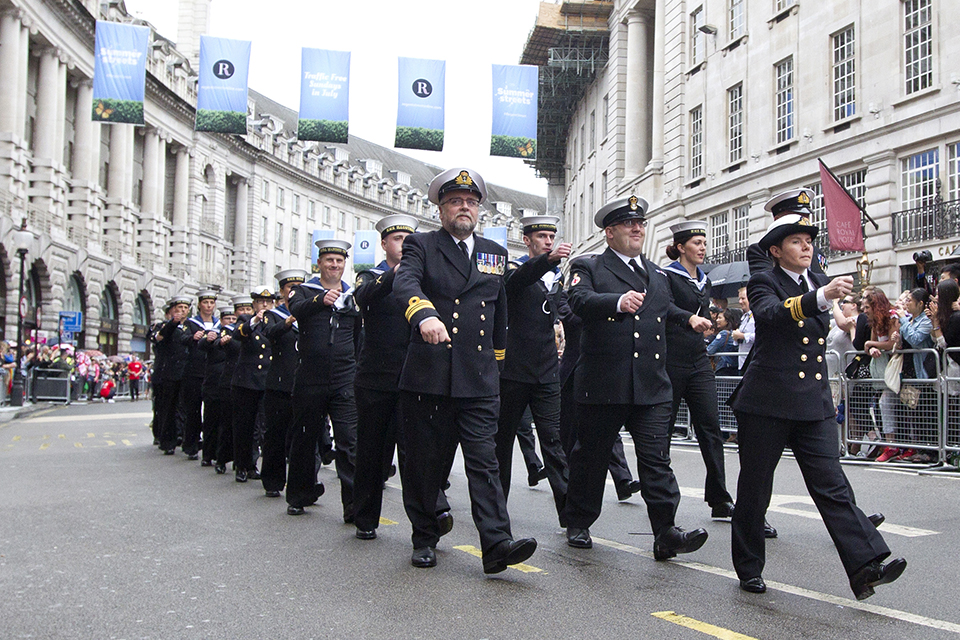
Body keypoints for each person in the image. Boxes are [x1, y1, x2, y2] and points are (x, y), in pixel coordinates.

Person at [730, 213, 905, 599]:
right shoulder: (765, 281)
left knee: (832, 485)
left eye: (809, 240)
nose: (807, 246)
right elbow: (771, 314)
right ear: (776, 251)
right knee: (756, 488)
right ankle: (748, 566)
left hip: (813, 400)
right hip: (768, 401)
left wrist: (844, 311)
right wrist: (820, 298)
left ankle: (864, 567)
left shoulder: (820, 280)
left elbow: (839, 322)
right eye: (796, 241)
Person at [393, 167, 537, 573]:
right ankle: (424, 536)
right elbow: (406, 284)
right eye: (455, 201)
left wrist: (497, 367)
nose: (464, 208)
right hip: (430, 374)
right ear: (441, 209)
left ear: (479, 210)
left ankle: (496, 544)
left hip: (477, 377)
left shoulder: (494, 252)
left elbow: (499, 312)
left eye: (471, 202)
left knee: (484, 462)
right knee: (425, 462)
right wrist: (423, 314)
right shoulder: (421, 245)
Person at [561, 195, 712, 560]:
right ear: (610, 233)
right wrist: (615, 302)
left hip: (651, 383)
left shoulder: (657, 273)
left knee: (656, 459)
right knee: (592, 456)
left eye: (641, 224)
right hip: (604, 381)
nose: (637, 229)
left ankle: (665, 532)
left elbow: (664, 306)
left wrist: (687, 319)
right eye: (629, 224)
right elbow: (578, 299)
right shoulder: (589, 266)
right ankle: (579, 520)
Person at [353, 215, 454, 540]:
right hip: (376, 378)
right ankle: (366, 517)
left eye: (409, 240)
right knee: (372, 452)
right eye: (397, 239)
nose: (403, 245)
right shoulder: (371, 275)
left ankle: (432, 516)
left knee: (419, 454)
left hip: (416, 377)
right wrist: (395, 276)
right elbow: (363, 296)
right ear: (384, 244)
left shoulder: (424, 280)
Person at [494, 214, 571, 523]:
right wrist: (548, 261)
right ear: (527, 240)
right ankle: (496, 514)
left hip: (546, 372)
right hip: (513, 372)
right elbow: (519, 280)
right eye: (541, 237)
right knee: (502, 443)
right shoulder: (515, 269)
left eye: (551, 238)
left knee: (555, 443)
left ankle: (571, 518)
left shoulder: (557, 278)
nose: (548, 242)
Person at [661, 221, 735, 519]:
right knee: (662, 431)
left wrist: (707, 322)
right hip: (671, 361)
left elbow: (703, 315)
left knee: (710, 428)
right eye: (697, 243)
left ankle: (719, 498)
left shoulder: (705, 281)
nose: (703, 248)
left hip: (698, 360)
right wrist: (689, 318)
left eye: (705, 243)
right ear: (681, 247)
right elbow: (663, 308)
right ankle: (662, 496)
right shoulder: (666, 276)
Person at [286, 239, 360, 522]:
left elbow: (357, 335)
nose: (335, 265)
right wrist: (320, 300)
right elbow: (297, 309)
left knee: (349, 442)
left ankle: (353, 507)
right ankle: (299, 495)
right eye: (329, 260)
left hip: (343, 377)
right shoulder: (303, 291)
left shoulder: (351, 296)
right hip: (310, 377)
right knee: (305, 438)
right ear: (319, 263)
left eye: (339, 261)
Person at [259, 269, 308, 498]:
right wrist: (288, 322)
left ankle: (305, 484)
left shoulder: (309, 312)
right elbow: (269, 332)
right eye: (290, 287)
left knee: (305, 437)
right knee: (276, 435)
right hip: (280, 383)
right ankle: (272, 480)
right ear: (282, 291)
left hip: (305, 382)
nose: (295, 291)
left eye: (299, 286)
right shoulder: (273, 315)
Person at [230, 286, 274, 482]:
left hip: (268, 380)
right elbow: (238, 334)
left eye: (268, 301)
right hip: (247, 380)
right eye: (260, 301)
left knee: (264, 427)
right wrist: (254, 320)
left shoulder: (276, 321)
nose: (265, 305)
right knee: (245, 426)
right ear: (254, 304)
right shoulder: (245, 321)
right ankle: (242, 464)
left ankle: (256, 465)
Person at [862, 288, 900, 462]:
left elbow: (892, 343)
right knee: (879, 405)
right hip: (880, 370)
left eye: (867, 307)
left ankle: (893, 444)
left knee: (886, 403)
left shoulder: (892, 317)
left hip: (894, 369)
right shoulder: (876, 322)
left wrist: (872, 343)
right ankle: (888, 442)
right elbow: (870, 346)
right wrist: (873, 347)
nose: (865, 311)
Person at [180, 290, 219, 461]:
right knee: (193, 410)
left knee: (212, 412)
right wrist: (192, 338)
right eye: (205, 303)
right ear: (199, 305)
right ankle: (191, 445)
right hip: (194, 371)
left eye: (211, 303)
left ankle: (211, 447)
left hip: (211, 372)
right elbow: (182, 338)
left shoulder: (219, 324)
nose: (209, 306)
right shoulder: (191, 323)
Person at [156, 295, 192, 455]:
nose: (182, 311)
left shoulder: (191, 325)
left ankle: (185, 438)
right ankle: (167, 441)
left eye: (185, 308)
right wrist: (173, 322)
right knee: (169, 407)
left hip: (187, 371)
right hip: (171, 371)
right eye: (179, 308)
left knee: (185, 408)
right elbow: (161, 337)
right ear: (173, 310)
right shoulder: (167, 326)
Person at [214, 298, 246, 474]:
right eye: (241, 309)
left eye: (248, 308)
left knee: (250, 427)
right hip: (230, 380)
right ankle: (222, 458)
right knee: (227, 423)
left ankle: (246, 463)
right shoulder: (228, 331)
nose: (245, 312)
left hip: (251, 381)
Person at [199, 303, 232, 468]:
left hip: (229, 385)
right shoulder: (214, 334)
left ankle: (222, 456)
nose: (230, 321)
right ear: (221, 320)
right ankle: (207, 454)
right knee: (211, 421)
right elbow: (202, 345)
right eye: (227, 319)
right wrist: (207, 338)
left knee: (225, 423)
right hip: (213, 383)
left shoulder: (238, 335)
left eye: (233, 318)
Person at [706, 308, 742, 376]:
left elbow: (709, 350)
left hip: (723, 369)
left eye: (720, 318)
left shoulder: (724, 334)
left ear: (727, 320)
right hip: (734, 368)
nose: (717, 320)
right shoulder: (734, 333)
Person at [732, 286, 754, 374]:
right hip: (742, 362)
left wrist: (742, 336)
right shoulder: (744, 317)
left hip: (752, 363)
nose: (740, 302)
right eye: (739, 299)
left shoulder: (757, 316)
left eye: (743, 298)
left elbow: (761, 335)